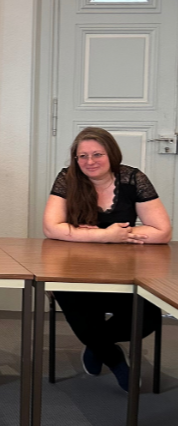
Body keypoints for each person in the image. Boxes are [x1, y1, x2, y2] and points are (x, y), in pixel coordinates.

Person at [43, 127, 172, 391]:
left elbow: (162, 232)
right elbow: (50, 227)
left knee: (148, 318)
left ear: (111, 154)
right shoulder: (67, 178)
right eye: (82, 156)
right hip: (75, 270)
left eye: (97, 154)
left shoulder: (133, 179)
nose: (90, 161)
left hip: (125, 271)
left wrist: (113, 234)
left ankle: (96, 346)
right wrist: (104, 235)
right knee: (80, 312)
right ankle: (114, 360)